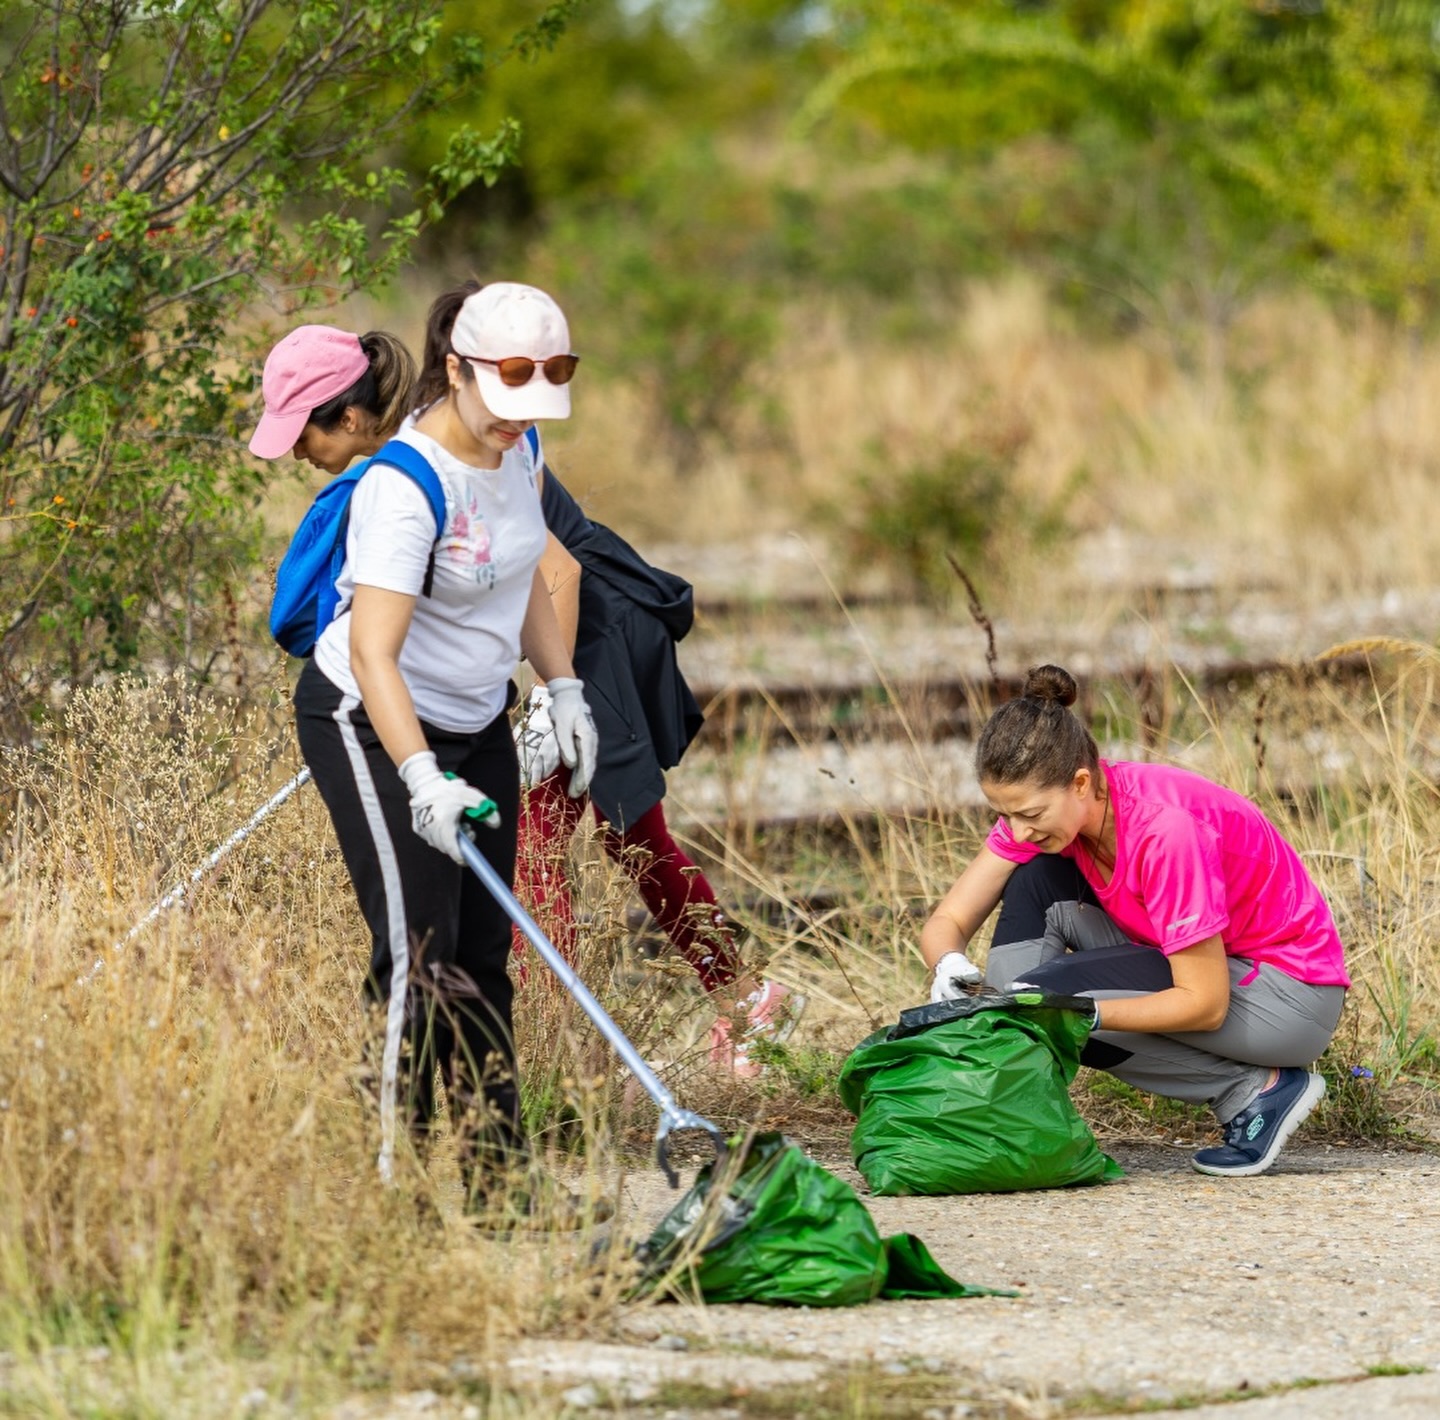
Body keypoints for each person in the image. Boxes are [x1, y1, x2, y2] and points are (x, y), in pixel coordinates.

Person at [250, 289, 603, 1221]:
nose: (517, 422)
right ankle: (389, 1191)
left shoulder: (518, 443)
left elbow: (524, 571)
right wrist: (420, 781)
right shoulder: (403, 488)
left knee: (482, 953)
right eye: (503, 398)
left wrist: (562, 685)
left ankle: (499, 1186)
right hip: (369, 723)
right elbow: (372, 655)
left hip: (476, 716)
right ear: (457, 370)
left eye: (538, 401)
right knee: (418, 947)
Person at [420, 282, 804, 1079]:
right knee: (614, 837)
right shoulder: (430, 444)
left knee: (545, 840)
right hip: (565, 634)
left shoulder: (495, 439)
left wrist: (549, 700)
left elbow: (552, 571)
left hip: (590, 628)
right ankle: (742, 998)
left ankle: (564, 1055)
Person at [920, 665, 1350, 1178]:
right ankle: (1006, 1067)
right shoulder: (1050, 818)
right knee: (1036, 883)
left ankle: (1253, 1090)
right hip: (1214, 969)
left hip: (1286, 1000)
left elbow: (1206, 1003)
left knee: (1045, 1000)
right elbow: (949, 917)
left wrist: (1074, 1011)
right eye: (1005, 814)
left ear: (1081, 783)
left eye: (1030, 814)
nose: (1017, 830)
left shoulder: (1164, 831)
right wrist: (947, 963)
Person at [249, 323, 416, 472]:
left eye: (302, 438)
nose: (298, 454)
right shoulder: (406, 459)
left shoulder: (404, 480)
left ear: (347, 420)